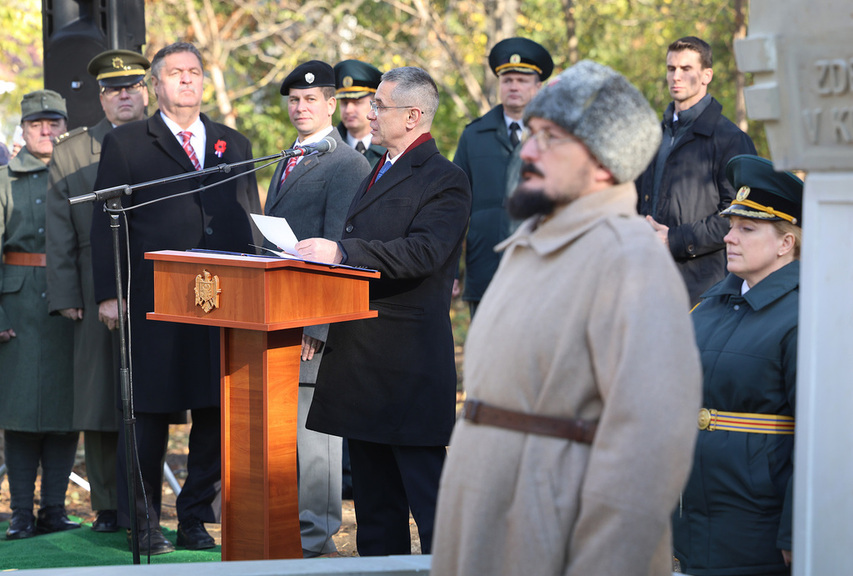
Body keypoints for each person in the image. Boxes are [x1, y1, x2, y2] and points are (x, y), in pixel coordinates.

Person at [430, 60, 703, 575]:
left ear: (604, 161)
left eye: (551, 138)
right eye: (531, 133)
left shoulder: (628, 258)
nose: (528, 151)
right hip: (484, 522)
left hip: (549, 534)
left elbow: (649, 450)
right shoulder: (528, 244)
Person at [89, 41, 261, 555]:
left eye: (194, 72)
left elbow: (250, 216)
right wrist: (108, 294)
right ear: (156, 86)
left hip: (222, 296)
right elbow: (106, 225)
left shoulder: (235, 142)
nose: (186, 80)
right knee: (149, 411)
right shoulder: (127, 143)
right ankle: (141, 523)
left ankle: (193, 518)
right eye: (175, 73)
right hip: (153, 298)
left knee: (214, 411)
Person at [294, 66, 472, 556]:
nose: (368, 113)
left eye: (380, 106)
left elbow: (424, 253)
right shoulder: (378, 165)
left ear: (413, 116)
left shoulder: (445, 179)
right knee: (375, 510)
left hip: (406, 364)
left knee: (429, 501)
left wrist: (343, 253)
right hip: (361, 360)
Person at [673, 155, 802, 576]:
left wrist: (796, 533)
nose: (730, 237)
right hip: (688, 525)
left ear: (786, 243)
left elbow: (823, 439)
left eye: (747, 229)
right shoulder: (706, 306)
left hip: (757, 532)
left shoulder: (805, 316)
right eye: (730, 226)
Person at [265, 59, 370, 557]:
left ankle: (316, 540)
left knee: (315, 437)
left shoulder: (346, 162)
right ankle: (291, 532)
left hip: (312, 323)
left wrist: (319, 323)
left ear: (332, 105)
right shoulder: (291, 157)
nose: (300, 106)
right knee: (286, 432)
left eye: (310, 99)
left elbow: (338, 246)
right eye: (293, 99)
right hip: (275, 313)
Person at [45, 49, 151, 535]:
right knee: (101, 396)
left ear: (146, 90)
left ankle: (160, 501)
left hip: (156, 282)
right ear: (102, 98)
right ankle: (108, 504)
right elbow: (59, 231)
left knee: (156, 395)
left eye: (131, 86)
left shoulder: (166, 142)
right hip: (95, 286)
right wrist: (68, 295)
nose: (123, 96)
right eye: (113, 89)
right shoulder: (71, 151)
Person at [0, 90, 80, 540]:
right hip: (18, 305)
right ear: (24, 130)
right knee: (20, 414)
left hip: (70, 303)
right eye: (36, 125)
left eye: (53, 124)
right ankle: (20, 513)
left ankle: (54, 510)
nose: (46, 132)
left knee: (67, 411)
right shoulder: (3, 180)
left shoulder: (80, 173)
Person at [636, 36, 757, 306]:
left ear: (706, 75)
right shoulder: (651, 137)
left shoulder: (730, 139)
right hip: (646, 282)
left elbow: (740, 216)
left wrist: (676, 240)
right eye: (671, 69)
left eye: (686, 69)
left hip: (704, 290)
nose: (676, 76)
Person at [454, 37, 553, 315]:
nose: (514, 86)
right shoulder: (473, 136)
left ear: (538, 86)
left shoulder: (555, 136)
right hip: (485, 266)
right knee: (485, 355)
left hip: (540, 266)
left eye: (522, 80)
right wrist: (451, 271)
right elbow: (453, 207)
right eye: (507, 79)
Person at [334, 59, 386, 169]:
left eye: (357, 102)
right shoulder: (328, 147)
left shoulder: (390, 148)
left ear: (375, 104)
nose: (348, 110)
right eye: (344, 102)